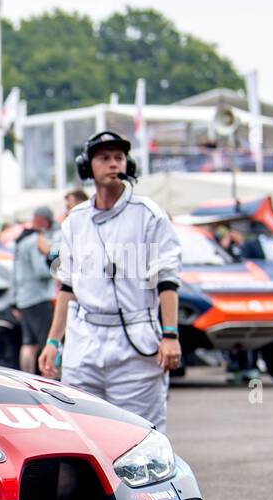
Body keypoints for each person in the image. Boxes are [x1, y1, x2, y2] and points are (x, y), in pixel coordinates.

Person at [39, 131, 182, 432]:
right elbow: (67, 287)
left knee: (141, 435)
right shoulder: (75, 220)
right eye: (104, 158)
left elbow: (166, 278)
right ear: (86, 166)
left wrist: (170, 334)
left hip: (135, 342)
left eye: (118, 157)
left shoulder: (148, 215)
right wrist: (54, 341)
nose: (113, 164)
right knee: (82, 433)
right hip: (84, 342)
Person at [10, 206, 57, 374]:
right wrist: (54, 266)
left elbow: (13, 272)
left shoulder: (20, 240)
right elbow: (41, 271)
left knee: (28, 343)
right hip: (38, 298)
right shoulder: (36, 240)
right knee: (47, 342)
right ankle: (49, 379)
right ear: (44, 221)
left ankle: (27, 378)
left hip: (23, 299)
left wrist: (14, 300)